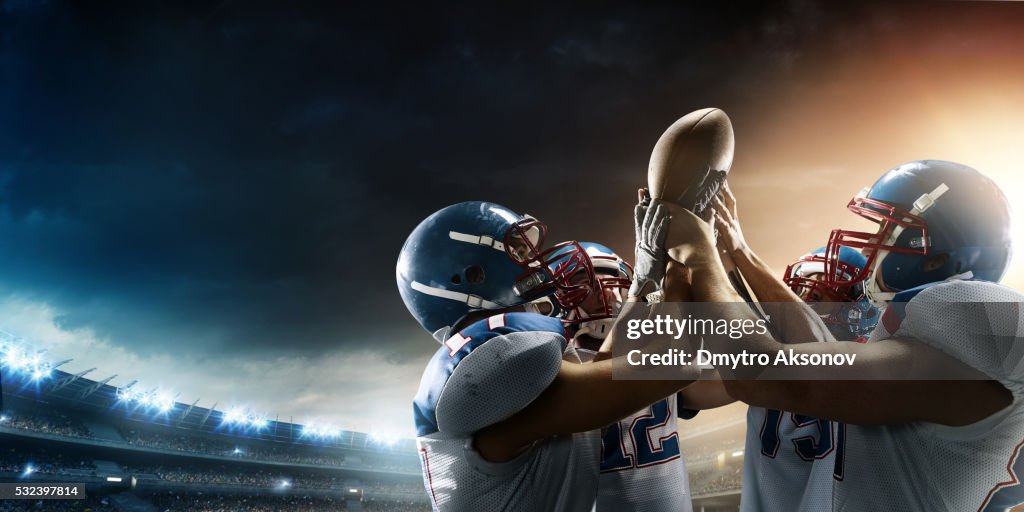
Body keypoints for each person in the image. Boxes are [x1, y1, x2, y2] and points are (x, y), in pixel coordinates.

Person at [662, 160, 1024, 511]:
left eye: (887, 232)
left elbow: (773, 374)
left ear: (934, 258)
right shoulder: (882, 343)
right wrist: (735, 253)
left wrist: (700, 255)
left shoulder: (967, 322)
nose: (869, 248)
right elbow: (815, 349)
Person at [397, 200, 699, 511]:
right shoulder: (493, 351)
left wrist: (642, 289)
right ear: (472, 275)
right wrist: (679, 267)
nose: (536, 261)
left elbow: (603, 375)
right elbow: (676, 364)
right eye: (520, 251)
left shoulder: (493, 352)